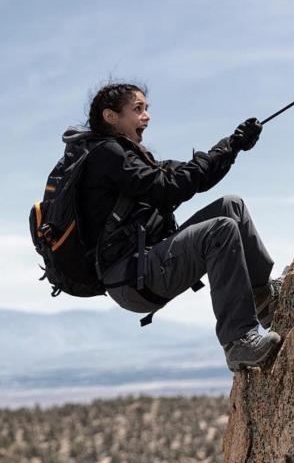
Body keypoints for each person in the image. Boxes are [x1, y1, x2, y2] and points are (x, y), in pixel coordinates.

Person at [75, 82, 282, 371]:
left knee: (231, 206)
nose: (146, 116)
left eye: (146, 109)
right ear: (111, 117)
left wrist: (232, 146)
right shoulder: (108, 156)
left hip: (145, 264)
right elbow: (169, 188)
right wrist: (227, 148)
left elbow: (187, 175)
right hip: (132, 278)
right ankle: (238, 341)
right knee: (219, 230)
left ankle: (261, 298)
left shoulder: (130, 155)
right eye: (138, 109)